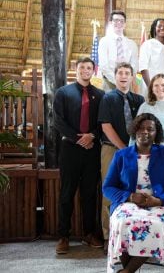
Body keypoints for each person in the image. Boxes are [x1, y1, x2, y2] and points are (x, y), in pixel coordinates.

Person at [102, 113, 164, 273]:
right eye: (141, 128)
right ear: (134, 130)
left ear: (156, 133)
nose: (145, 132)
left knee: (156, 225)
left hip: (159, 205)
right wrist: (130, 196)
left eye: (150, 129)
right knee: (122, 223)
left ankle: (126, 271)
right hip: (128, 204)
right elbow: (107, 187)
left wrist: (158, 200)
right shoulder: (121, 155)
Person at [53, 57, 105, 254]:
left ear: (94, 70)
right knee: (67, 193)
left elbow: (103, 122)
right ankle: (63, 236)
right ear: (76, 70)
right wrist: (78, 138)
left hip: (92, 149)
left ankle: (89, 233)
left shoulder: (100, 95)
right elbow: (58, 121)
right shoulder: (63, 93)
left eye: (89, 67)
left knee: (90, 194)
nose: (85, 70)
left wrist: (92, 135)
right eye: (82, 67)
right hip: (70, 149)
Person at [97, 62, 145, 253]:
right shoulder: (108, 98)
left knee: (133, 189)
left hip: (136, 151)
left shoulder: (140, 100)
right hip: (112, 150)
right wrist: (124, 148)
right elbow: (106, 126)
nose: (124, 76)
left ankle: (131, 235)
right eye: (120, 73)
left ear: (132, 77)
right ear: (115, 77)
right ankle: (109, 236)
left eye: (127, 73)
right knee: (110, 191)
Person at [98, 10, 139, 92]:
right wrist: (117, 81)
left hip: (127, 84)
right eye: (116, 20)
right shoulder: (104, 41)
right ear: (110, 23)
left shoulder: (132, 44)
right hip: (109, 83)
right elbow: (104, 66)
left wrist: (126, 80)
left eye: (122, 21)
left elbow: (134, 66)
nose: (119, 23)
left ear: (125, 24)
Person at [139, 18, 164, 100]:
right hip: (152, 89)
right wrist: (151, 88)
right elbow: (143, 68)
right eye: (159, 26)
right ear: (154, 28)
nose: (162, 28)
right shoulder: (148, 44)